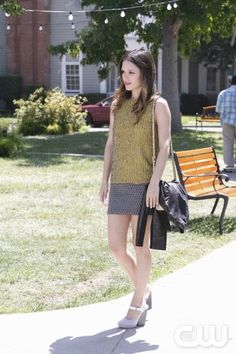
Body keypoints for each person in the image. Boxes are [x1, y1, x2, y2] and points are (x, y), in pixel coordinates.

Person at [99, 48, 171, 329]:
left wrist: (154, 182)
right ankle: (144, 288)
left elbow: (165, 145)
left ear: (145, 72)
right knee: (116, 247)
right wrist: (104, 179)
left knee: (140, 246)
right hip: (119, 183)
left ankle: (137, 303)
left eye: (131, 72)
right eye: (123, 72)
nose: (125, 77)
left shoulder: (158, 105)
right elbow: (110, 144)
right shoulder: (118, 105)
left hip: (144, 185)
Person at [216, 75, 236, 173]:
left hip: (227, 121)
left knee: (228, 142)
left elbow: (218, 110)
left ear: (230, 82)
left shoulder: (223, 93)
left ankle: (229, 166)